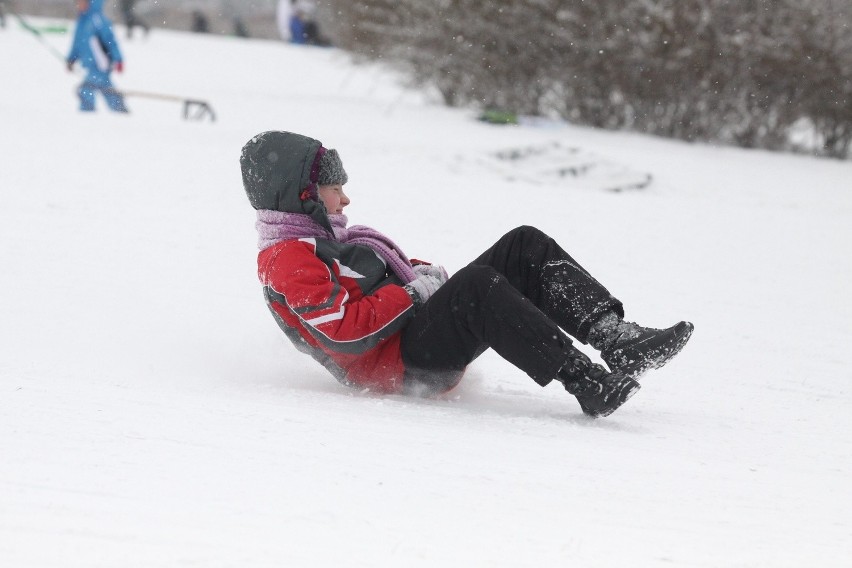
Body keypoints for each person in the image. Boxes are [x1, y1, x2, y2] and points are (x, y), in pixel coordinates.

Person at [239, 131, 694, 418]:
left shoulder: (329, 240)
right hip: (399, 367)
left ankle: (618, 338)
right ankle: (586, 381)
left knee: (522, 244)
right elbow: (343, 333)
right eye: (335, 189)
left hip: (408, 340)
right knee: (479, 288)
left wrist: (420, 276)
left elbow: (372, 283)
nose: (346, 200)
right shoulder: (288, 258)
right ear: (303, 194)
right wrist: (417, 294)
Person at [66, 0, 128, 113]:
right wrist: (71, 59)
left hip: (100, 64)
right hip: (90, 65)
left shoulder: (98, 20)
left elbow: (111, 41)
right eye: (78, 3)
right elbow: (77, 43)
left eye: (82, 2)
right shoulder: (82, 21)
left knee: (86, 88)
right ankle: (120, 110)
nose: (79, 5)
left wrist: (118, 59)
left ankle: (87, 114)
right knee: (106, 89)